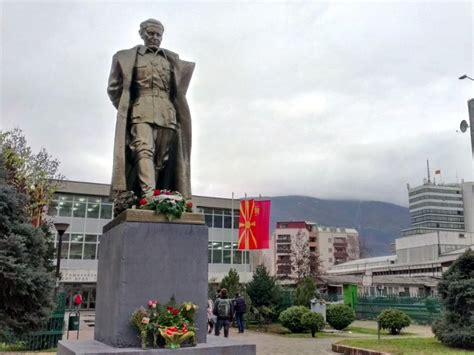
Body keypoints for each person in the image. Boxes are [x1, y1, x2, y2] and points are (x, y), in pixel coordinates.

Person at [107, 19, 195, 200]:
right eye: (150, 33)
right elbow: (114, 88)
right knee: (143, 150)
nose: (154, 38)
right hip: (141, 109)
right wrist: (127, 109)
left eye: (158, 34)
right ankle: (148, 196)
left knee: (161, 159)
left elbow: (177, 90)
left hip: (167, 112)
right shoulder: (126, 57)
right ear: (142, 34)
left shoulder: (172, 59)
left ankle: (155, 193)